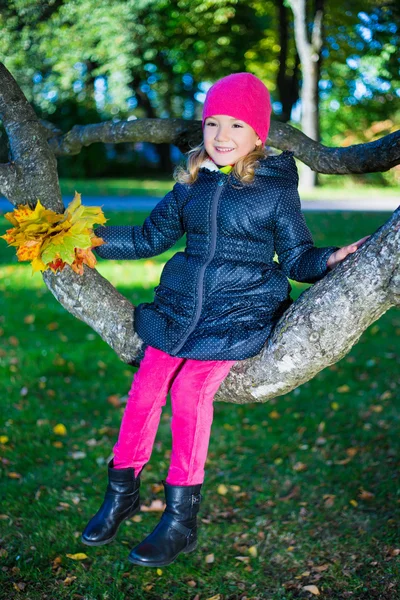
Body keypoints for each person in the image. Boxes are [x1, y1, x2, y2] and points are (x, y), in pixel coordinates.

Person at [81, 73, 369, 567]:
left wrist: (330, 259)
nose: (221, 135)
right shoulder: (190, 183)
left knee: (190, 390)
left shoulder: (274, 192)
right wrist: (88, 239)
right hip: (181, 307)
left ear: (259, 135)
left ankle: (180, 518)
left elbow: (297, 257)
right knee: (149, 383)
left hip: (238, 311)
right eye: (213, 122)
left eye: (236, 124)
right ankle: (122, 490)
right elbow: (150, 238)